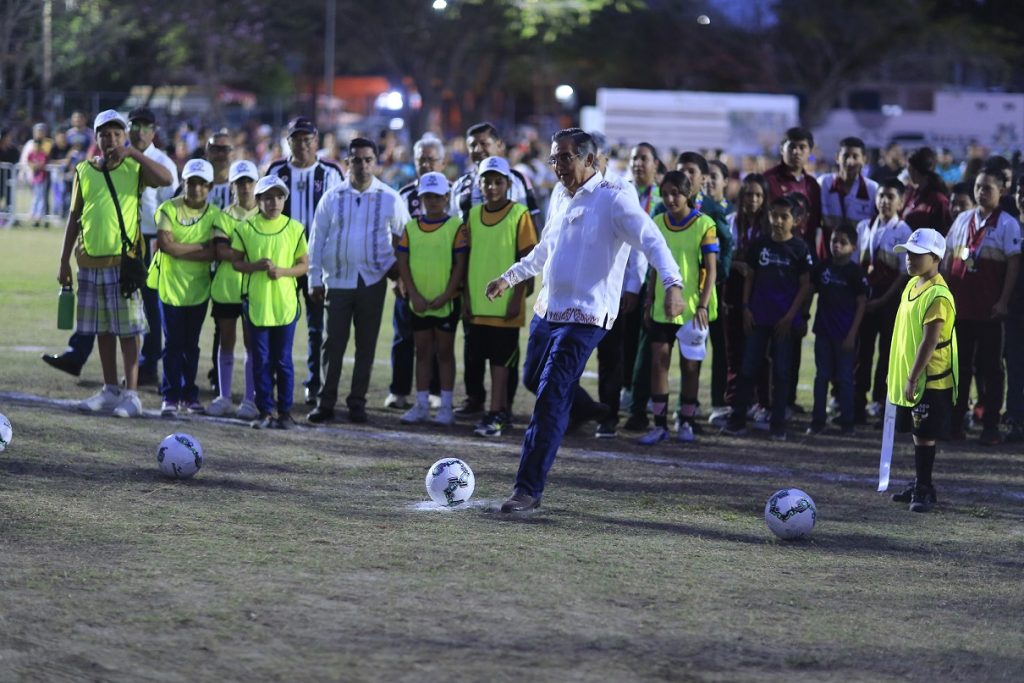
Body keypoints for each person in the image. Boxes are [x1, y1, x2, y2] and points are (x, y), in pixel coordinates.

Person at [484, 128, 684, 513]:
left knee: (550, 395)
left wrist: (673, 282)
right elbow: (547, 248)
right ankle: (592, 410)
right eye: (555, 157)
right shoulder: (560, 194)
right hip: (548, 309)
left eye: (566, 157)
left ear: (591, 160)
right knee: (532, 378)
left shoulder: (614, 198)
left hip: (586, 315)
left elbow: (651, 239)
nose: (558, 165)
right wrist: (510, 277)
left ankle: (527, 489)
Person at [41, 108, 180, 382]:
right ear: (96, 138)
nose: (112, 139)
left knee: (129, 330)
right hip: (90, 261)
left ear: (124, 137)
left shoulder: (135, 166)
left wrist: (133, 153)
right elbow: (74, 216)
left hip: (124, 260)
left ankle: (133, 390)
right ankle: (110, 387)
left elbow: (167, 180)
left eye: (117, 134)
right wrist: (63, 260)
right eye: (105, 134)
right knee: (102, 329)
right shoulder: (84, 170)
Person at [306, 137, 409, 424]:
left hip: (372, 281)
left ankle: (357, 402)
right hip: (337, 280)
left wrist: (398, 276)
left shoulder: (390, 197)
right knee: (332, 345)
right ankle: (325, 402)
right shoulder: (332, 196)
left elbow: (404, 238)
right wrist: (314, 278)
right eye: (357, 159)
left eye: (368, 159)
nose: (362, 165)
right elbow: (316, 240)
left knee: (366, 346)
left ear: (376, 162)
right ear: (347, 161)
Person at [450, 122, 540, 417]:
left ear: (507, 183)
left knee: (504, 360)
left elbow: (529, 256)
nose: (491, 186)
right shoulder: (472, 214)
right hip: (476, 301)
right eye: (486, 182)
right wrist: (464, 295)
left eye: (497, 182)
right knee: (474, 354)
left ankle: (502, 409)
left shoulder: (519, 212)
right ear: (479, 184)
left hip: (506, 304)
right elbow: (464, 256)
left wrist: (518, 296)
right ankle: (477, 402)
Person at [266, 117, 344, 405]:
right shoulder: (276, 169)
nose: (302, 144)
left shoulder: (331, 171)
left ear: (316, 140)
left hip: (317, 262)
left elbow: (339, 216)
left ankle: (314, 382)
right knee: (278, 321)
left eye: (307, 138)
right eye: (296, 139)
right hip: (282, 262)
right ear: (289, 142)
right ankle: (273, 377)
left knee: (315, 326)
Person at [722, 195, 813, 440]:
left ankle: (778, 424)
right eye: (775, 215)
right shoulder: (760, 245)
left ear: (795, 220)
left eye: (785, 216)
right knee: (748, 367)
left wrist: (792, 316)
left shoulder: (800, 249)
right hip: (758, 318)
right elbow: (749, 277)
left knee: (782, 373)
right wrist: (746, 308)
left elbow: (805, 286)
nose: (779, 221)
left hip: (784, 322)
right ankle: (738, 419)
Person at [637, 171, 718, 445]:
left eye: (677, 193)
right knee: (658, 363)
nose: (671, 199)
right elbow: (653, 266)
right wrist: (649, 298)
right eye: (667, 193)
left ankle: (686, 422)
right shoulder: (657, 222)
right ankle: (660, 426)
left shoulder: (705, 224)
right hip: (662, 305)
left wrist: (704, 305)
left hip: (693, 308)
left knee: (690, 367)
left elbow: (711, 269)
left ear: (688, 195)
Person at [943, 168, 1022, 444]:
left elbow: (1013, 265)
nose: (981, 192)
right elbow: (947, 260)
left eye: (988, 188)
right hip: (961, 308)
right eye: (978, 187)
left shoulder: (1008, 224)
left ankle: (990, 426)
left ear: (1001, 191)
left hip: (990, 310)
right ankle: (955, 423)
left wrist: (1003, 301)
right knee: (959, 368)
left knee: (991, 369)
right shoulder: (963, 219)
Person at [887, 228, 958, 513]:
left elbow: (930, 340)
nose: (910, 259)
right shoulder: (912, 285)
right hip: (913, 375)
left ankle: (925, 488)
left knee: (926, 433)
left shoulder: (938, 295)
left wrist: (913, 376)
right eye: (908, 254)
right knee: (918, 432)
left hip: (929, 379)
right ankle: (920, 481)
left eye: (918, 255)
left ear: (936, 257)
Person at [229, 175, 309, 429]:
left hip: (285, 305)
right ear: (258, 200)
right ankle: (265, 411)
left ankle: (285, 412)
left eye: (278, 196)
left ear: (284, 199)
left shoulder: (295, 228)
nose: (274, 201)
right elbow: (236, 262)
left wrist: (282, 272)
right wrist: (255, 266)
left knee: (283, 360)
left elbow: (303, 265)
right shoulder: (245, 228)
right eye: (267, 197)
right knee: (260, 359)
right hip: (257, 304)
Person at [395, 172, 468, 426]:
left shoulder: (455, 226)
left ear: (447, 198)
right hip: (419, 302)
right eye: (428, 196)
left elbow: (461, 264)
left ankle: (446, 405)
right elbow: (402, 260)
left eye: (438, 197)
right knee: (423, 351)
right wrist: (413, 293)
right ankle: (422, 403)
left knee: (445, 352)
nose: (433, 201)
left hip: (444, 301)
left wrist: (447, 295)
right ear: (421, 198)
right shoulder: (411, 228)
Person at [150, 159, 220, 416]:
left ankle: (189, 394)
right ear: (184, 182)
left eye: (202, 184)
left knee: (191, 344)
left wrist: (182, 250)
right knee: (172, 343)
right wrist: (200, 247)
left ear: (210, 186)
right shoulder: (169, 208)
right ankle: (170, 395)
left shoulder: (215, 214)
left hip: (198, 290)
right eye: (192, 182)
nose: (196, 188)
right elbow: (166, 245)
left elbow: (214, 253)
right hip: (170, 287)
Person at [389, 135, 447, 410]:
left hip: (440, 279)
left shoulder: (453, 193)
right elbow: (394, 238)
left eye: (430, 158)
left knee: (437, 338)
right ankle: (398, 390)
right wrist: (398, 276)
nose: (425, 164)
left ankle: (435, 390)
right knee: (403, 336)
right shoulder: (403, 195)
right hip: (408, 278)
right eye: (421, 159)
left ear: (442, 161)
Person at [854, 178, 912, 422]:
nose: (885, 201)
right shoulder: (863, 227)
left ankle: (880, 401)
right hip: (865, 301)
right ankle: (857, 402)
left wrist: (884, 300)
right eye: (881, 196)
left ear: (901, 201)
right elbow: (858, 265)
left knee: (887, 353)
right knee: (862, 352)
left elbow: (903, 273)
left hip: (889, 304)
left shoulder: (904, 232)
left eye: (891, 197)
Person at [206, 159, 260, 420]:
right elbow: (220, 250)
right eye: (240, 182)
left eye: (249, 181)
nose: (245, 187)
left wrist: (239, 256)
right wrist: (252, 258)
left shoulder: (265, 215)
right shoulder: (223, 216)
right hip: (227, 288)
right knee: (226, 341)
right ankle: (224, 396)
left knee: (252, 344)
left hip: (254, 289)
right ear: (232, 187)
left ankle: (249, 399)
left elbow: (230, 251)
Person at [718, 174, 772, 426]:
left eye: (758, 195)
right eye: (748, 194)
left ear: (765, 199)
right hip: (732, 294)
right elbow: (719, 260)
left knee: (761, 354)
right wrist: (737, 263)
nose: (753, 199)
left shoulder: (770, 227)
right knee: (735, 353)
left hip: (762, 297)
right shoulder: (730, 222)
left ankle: (762, 404)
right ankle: (735, 403)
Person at [807, 223, 867, 434]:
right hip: (823, 332)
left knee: (844, 378)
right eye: (834, 241)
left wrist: (852, 334)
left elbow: (861, 304)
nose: (837, 246)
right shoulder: (822, 268)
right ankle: (818, 420)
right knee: (821, 376)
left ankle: (847, 421)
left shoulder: (855, 273)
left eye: (843, 242)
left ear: (853, 247)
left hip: (845, 335)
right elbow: (808, 290)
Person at [819, 137, 878, 233]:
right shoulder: (823, 183)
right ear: (837, 158)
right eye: (845, 156)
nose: (850, 162)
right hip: (827, 247)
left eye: (855, 156)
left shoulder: (873, 189)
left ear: (864, 159)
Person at [1004, 177, 1024, 441]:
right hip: (1014, 309)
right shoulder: (1009, 226)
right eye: (1021, 191)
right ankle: (1015, 420)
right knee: (1014, 366)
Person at [902, 147, 952, 235]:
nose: (908, 173)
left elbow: (944, 231)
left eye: (909, 169)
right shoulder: (912, 194)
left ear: (915, 171)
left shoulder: (939, 200)